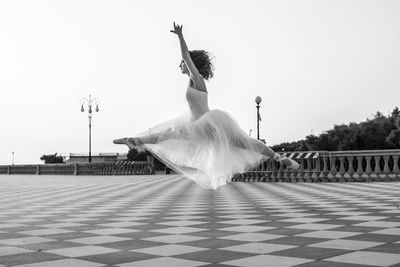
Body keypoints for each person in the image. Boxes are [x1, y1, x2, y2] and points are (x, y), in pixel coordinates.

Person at [114, 22, 299, 189]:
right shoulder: (193, 81)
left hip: (207, 124)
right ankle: (279, 158)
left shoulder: (197, 79)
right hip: (199, 125)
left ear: (190, 65)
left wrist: (180, 36)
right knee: (244, 143)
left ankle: (134, 140)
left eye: (182, 64)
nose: (180, 66)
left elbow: (185, 55)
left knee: (167, 135)